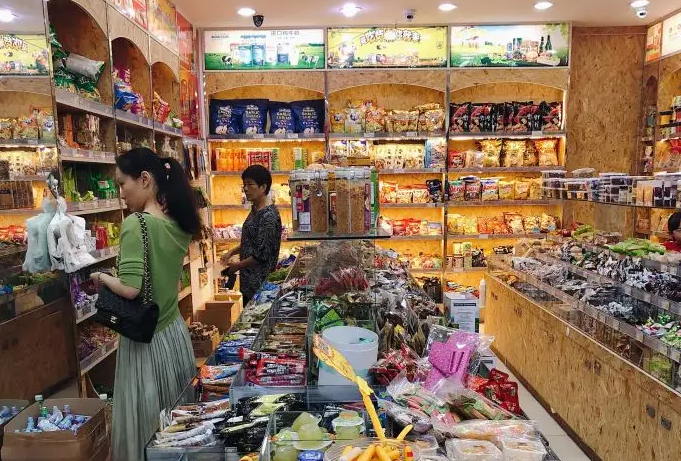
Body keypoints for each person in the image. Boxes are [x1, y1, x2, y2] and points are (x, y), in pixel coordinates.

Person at [90, 148, 202, 461]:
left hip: (145, 344)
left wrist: (102, 276)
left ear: (145, 179)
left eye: (122, 184)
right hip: (174, 336)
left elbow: (129, 289)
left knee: (146, 427)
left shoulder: (135, 224)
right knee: (178, 428)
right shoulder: (178, 225)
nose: (120, 192)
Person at [221, 165, 282, 304]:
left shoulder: (269, 216)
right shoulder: (255, 210)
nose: (246, 189)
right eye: (244, 185)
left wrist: (237, 266)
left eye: (250, 184)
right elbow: (250, 240)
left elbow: (261, 255)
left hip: (261, 286)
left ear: (263, 187)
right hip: (249, 284)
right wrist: (231, 252)